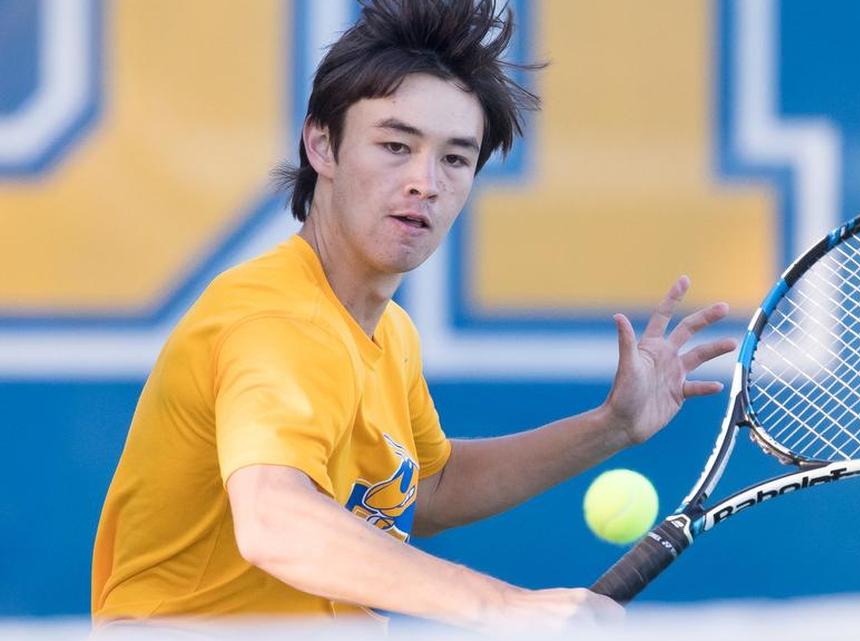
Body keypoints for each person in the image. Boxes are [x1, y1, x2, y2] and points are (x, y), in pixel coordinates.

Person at [91, 0, 736, 631]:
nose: (426, 181)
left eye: (455, 159)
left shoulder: (386, 329)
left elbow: (428, 487)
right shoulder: (275, 323)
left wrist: (610, 426)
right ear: (322, 144)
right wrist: (503, 606)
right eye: (396, 146)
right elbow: (274, 520)